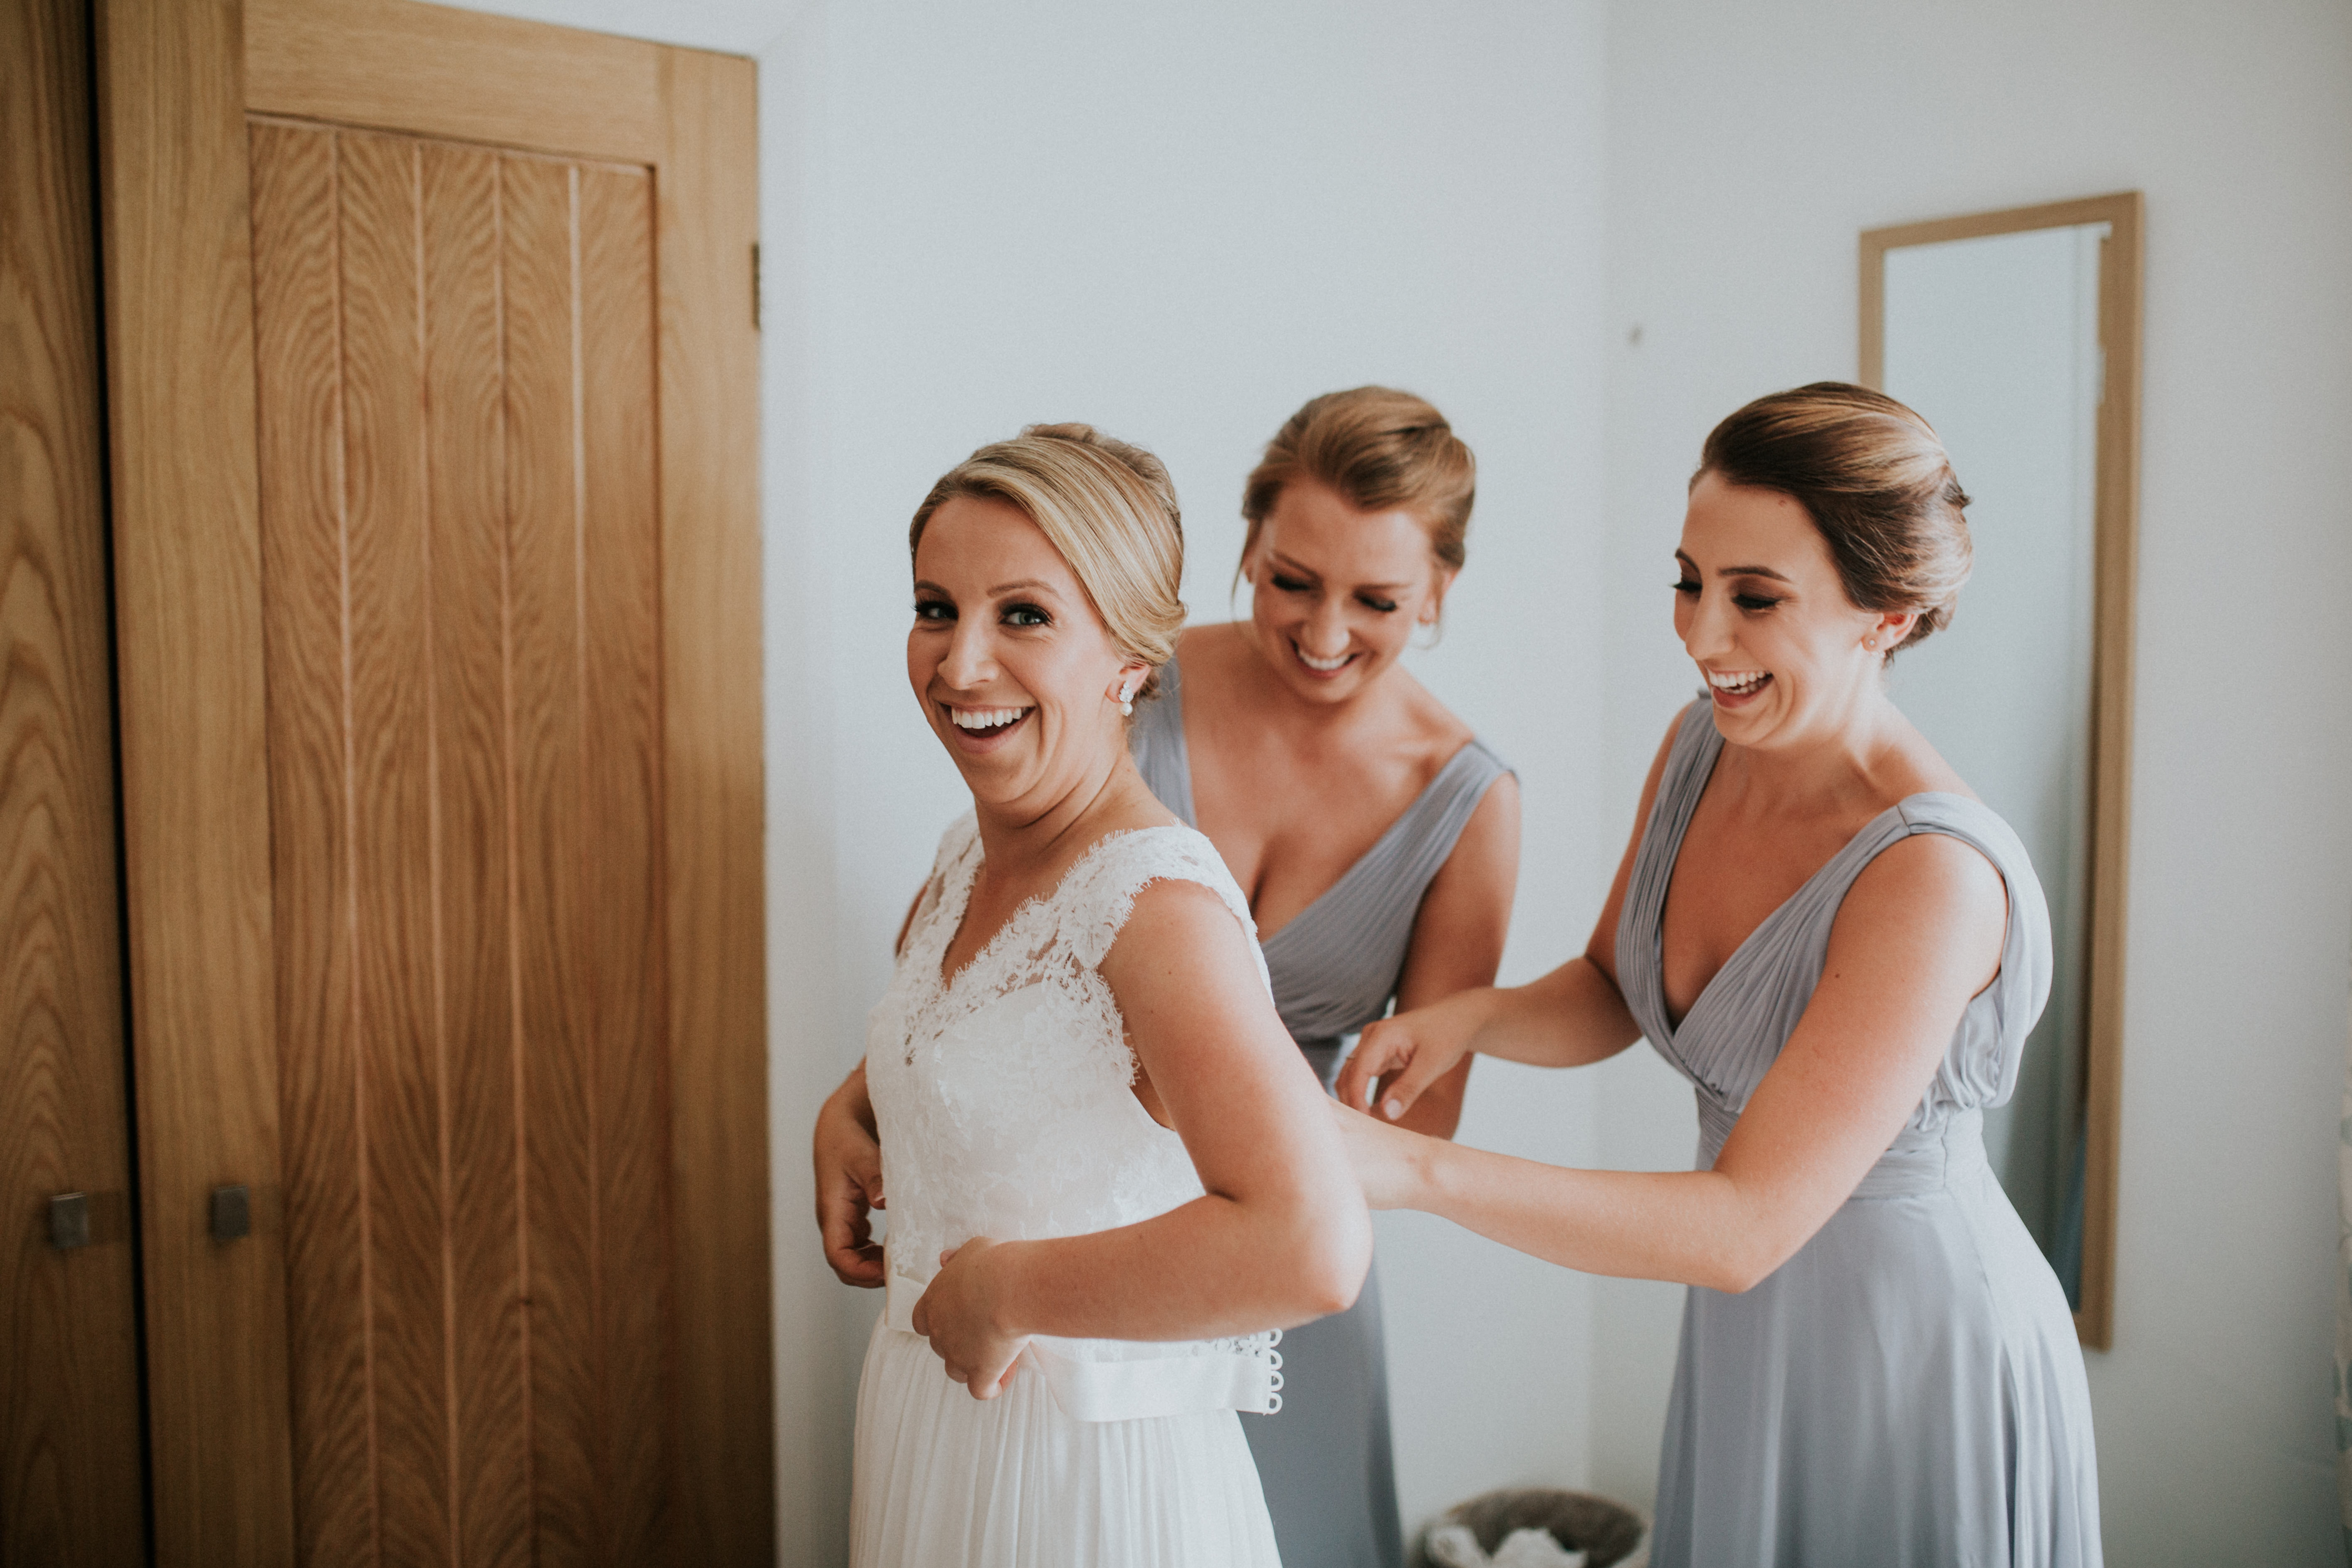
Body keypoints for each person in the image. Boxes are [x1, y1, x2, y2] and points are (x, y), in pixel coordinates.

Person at [1336, 384, 2102, 1568]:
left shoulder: (1931, 875)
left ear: (1885, 615)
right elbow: (1612, 983)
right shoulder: (1704, 742)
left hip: (1911, 1350)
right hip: (1752, 1331)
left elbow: (1746, 1222)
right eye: (1689, 580)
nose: (1701, 636)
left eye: (1755, 599)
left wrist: (1416, 1168)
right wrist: (1465, 1020)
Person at [818, 387, 1521, 1568]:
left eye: (1377, 598)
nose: (1325, 630)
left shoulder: (1424, 813)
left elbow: (1345, 1190)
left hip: (1179, 1272)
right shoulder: (1025, 790)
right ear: (1246, 553)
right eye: (936, 608)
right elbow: (982, 999)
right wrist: (873, 1103)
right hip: (978, 1361)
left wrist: (1183, 1103)